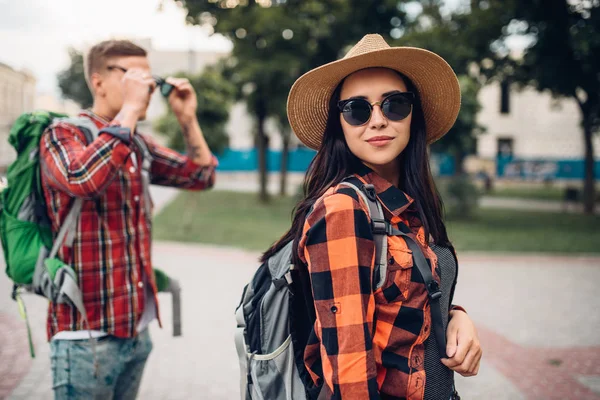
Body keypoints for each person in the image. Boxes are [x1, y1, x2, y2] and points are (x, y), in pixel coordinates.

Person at [263, 34, 482, 399]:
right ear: (340, 124)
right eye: (357, 109)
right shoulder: (343, 209)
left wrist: (456, 314)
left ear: (415, 114)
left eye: (394, 104)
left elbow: (404, 297)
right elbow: (349, 375)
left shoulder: (404, 203)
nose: (378, 120)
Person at [40, 40, 217, 399]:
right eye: (135, 77)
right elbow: (82, 179)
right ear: (98, 82)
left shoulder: (137, 143)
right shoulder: (62, 134)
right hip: (84, 337)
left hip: (135, 331)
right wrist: (131, 112)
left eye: (150, 79)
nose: (147, 87)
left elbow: (201, 176)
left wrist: (187, 119)